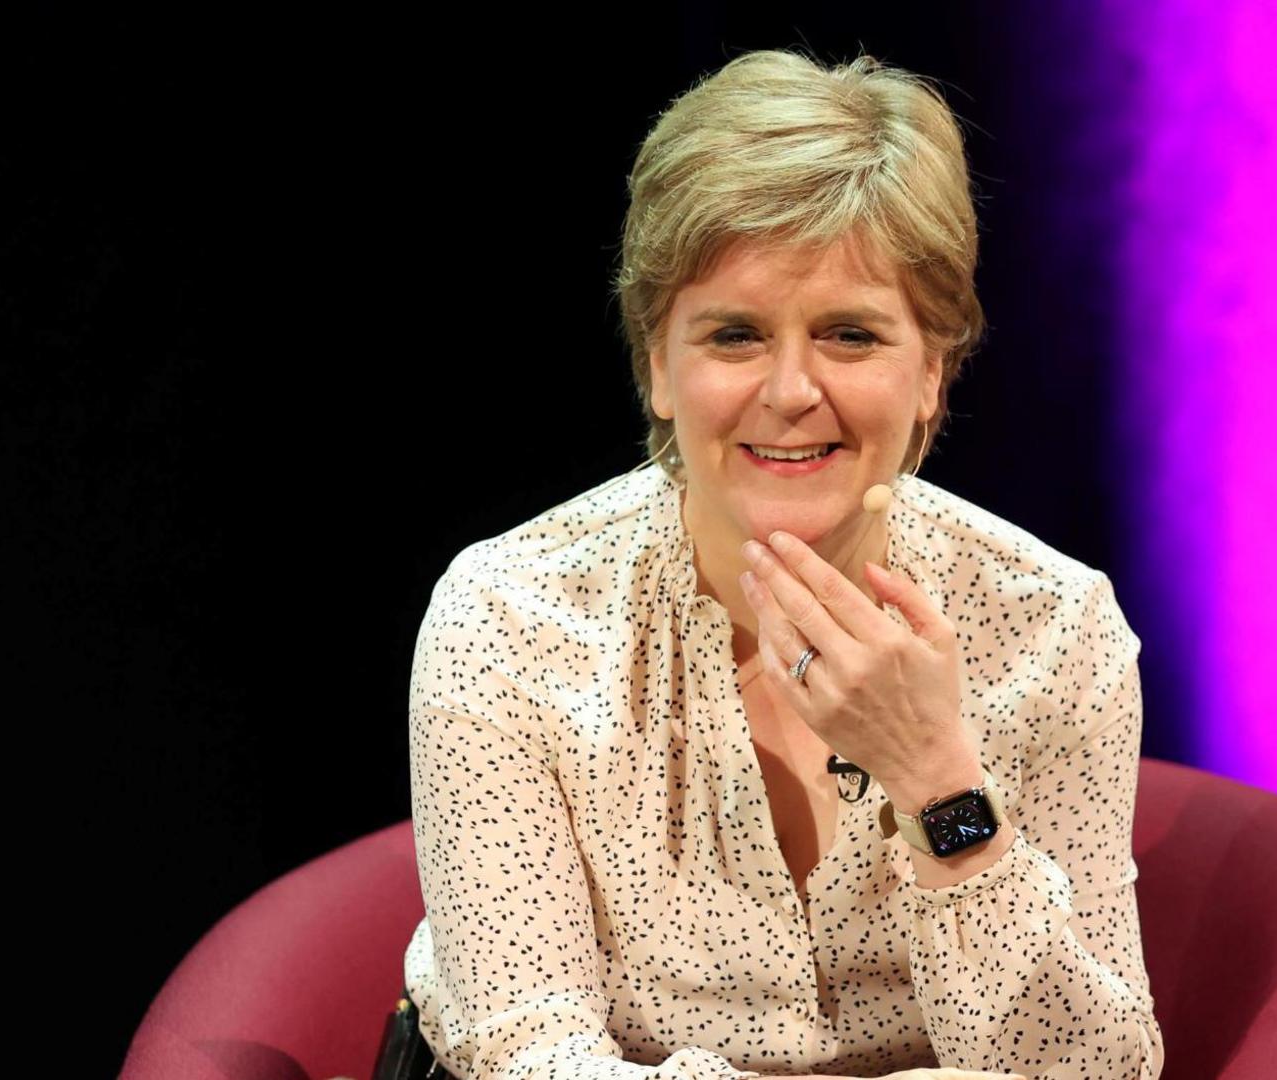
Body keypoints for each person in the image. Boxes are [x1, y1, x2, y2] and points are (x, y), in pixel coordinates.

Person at [401, 47, 1163, 1080]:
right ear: (657, 368)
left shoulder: (1053, 631)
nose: (793, 390)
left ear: (931, 372)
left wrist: (940, 779)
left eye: (851, 335)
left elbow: (1091, 1069)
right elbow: (530, 1055)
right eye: (735, 336)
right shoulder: (509, 622)